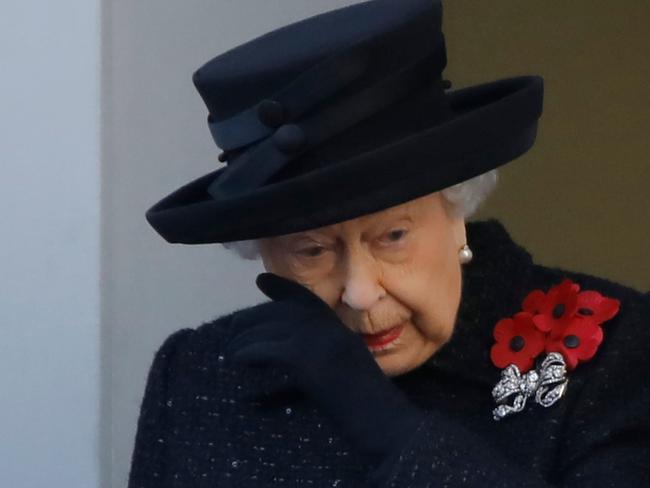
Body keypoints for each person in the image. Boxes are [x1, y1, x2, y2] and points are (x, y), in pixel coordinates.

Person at [128, 0, 650, 486]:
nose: (359, 292)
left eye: (393, 236)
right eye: (312, 251)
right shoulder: (200, 374)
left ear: (457, 209)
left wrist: (388, 428)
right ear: (262, 253)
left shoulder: (619, 352)